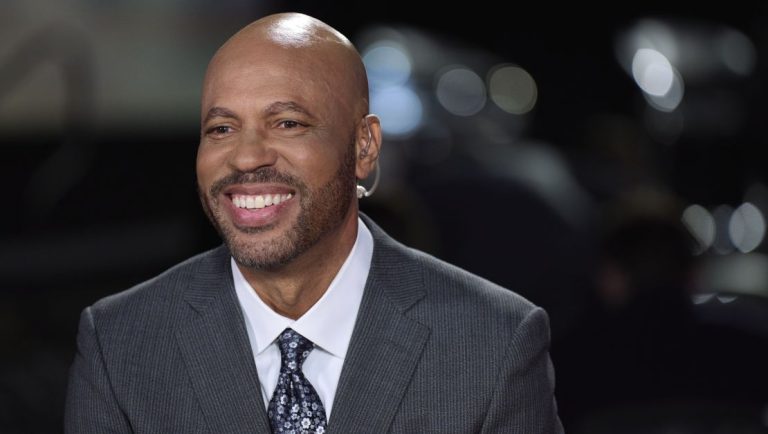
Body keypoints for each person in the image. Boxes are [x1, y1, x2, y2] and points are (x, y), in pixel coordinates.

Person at [64, 12, 562, 433]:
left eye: (288, 123)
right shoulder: (120, 343)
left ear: (363, 146)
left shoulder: (493, 342)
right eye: (222, 128)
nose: (246, 157)